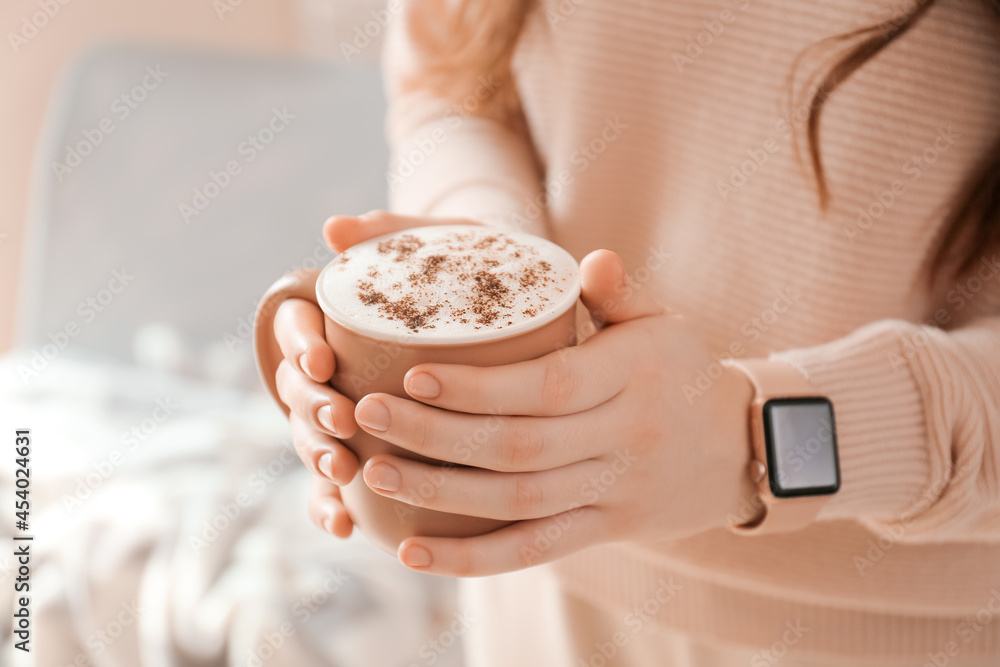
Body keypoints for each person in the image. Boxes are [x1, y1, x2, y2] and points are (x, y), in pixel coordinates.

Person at [267, 0, 1000, 664]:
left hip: (904, 634)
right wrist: (491, 261)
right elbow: (450, 79)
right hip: (542, 591)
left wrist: (747, 439)